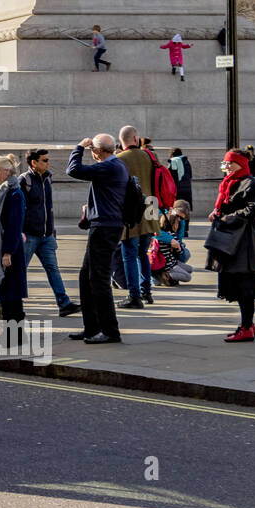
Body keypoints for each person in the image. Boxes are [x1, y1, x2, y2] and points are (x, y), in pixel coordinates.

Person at [66, 134, 128, 344]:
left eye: (93, 148)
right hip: (103, 225)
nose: (91, 151)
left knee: (99, 279)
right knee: (86, 277)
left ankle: (110, 331)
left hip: (105, 227)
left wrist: (79, 147)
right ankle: (91, 327)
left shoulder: (110, 166)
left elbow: (73, 170)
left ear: (99, 151)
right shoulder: (114, 165)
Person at [206, 149, 255, 342]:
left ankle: (247, 327)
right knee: (237, 284)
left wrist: (227, 217)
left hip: (243, 240)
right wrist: (217, 213)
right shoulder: (229, 183)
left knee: (245, 284)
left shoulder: (250, 183)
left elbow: (252, 210)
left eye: (230, 162)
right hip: (230, 237)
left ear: (241, 163)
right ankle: (247, 324)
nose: (227, 166)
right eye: (225, 163)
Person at [18, 149, 82, 316]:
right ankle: (14, 306)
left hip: (46, 236)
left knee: (53, 269)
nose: (48, 163)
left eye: (47, 160)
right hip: (29, 236)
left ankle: (64, 303)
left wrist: (51, 230)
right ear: (34, 162)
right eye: (44, 160)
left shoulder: (47, 178)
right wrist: (19, 231)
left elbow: (48, 208)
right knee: (19, 270)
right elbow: (17, 209)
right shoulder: (24, 180)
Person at [0, 155, 27, 345]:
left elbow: (15, 226)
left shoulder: (15, 192)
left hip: (10, 251)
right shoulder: (0, 190)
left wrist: (8, 252)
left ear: (7, 171)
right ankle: (11, 337)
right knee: (6, 294)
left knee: (11, 296)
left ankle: (14, 337)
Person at [115, 125, 159, 308]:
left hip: (130, 213)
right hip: (150, 209)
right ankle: (146, 291)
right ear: (135, 138)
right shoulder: (150, 156)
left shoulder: (118, 159)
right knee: (143, 253)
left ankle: (134, 296)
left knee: (129, 255)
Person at [153, 204, 193, 287]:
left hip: (171, 261)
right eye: (178, 217)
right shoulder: (160, 214)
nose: (179, 220)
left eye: (182, 218)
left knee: (186, 257)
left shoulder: (180, 223)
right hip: (166, 263)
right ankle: (164, 276)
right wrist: (172, 240)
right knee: (187, 276)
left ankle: (171, 276)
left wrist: (178, 244)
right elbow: (153, 231)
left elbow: (179, 239)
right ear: (172, 209)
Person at [168, 147, 194, 229]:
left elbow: (168, 176)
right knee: (186, 209)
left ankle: (177, 228)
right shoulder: (187, 162)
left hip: (176, 190)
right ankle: (186, 229)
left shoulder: (172, 162)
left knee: (176, 210)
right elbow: (190, 175)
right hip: (187, 189)